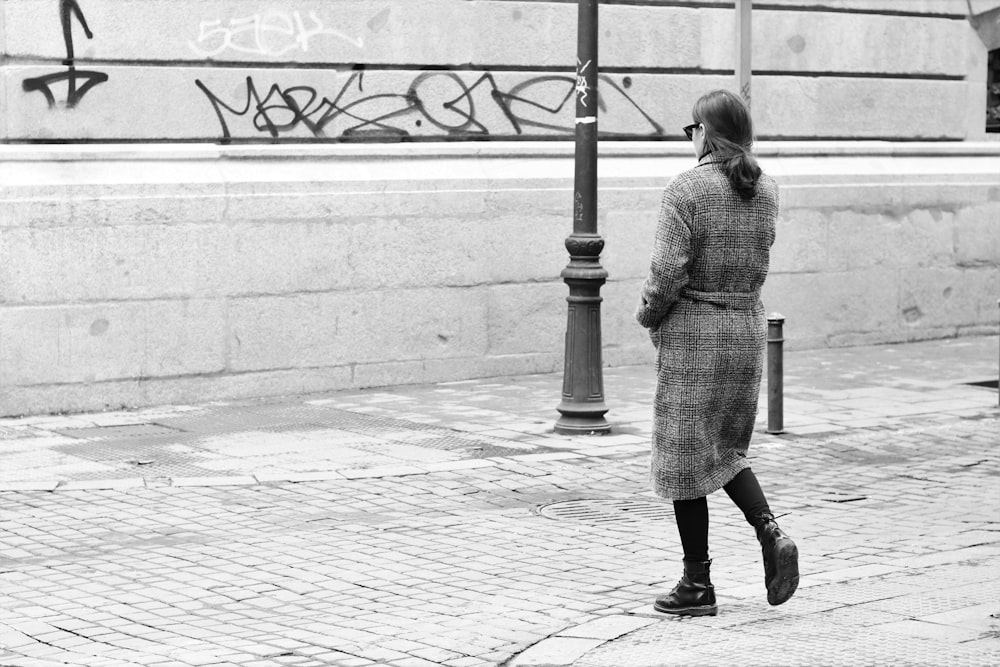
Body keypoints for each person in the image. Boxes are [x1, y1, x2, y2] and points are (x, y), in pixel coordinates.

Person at [635, 89, 799, 616]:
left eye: (692, 129)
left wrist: (648, 316)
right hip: (745, 330)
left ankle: (696, 585)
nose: (691, 138)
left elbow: (666, 274)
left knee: (686, 458)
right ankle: (769, 531)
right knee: (724, 449)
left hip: (694, 333)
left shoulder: (687, 189)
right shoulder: (766, 190)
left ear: (705, 132)